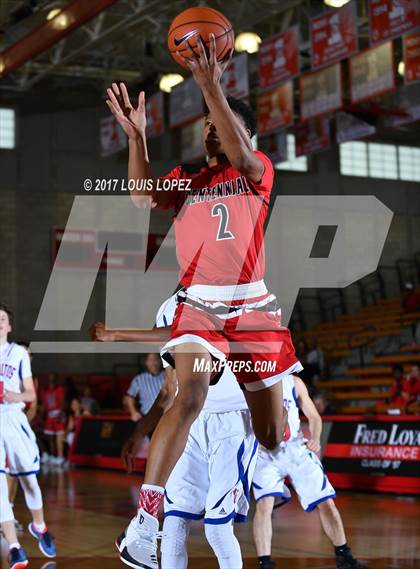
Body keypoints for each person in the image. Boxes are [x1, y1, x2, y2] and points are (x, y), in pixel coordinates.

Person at [105, 35, 301, 569]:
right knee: (187, 394)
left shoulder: (255, 170)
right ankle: (145, 524)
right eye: (207, 125)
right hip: (199, 304)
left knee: (273, 435)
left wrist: (211, 84)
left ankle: (256, 452)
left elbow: (238, 147)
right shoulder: (187, 179)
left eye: (219, 123)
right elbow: (142, 196)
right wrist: (138, 137)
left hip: (254, 308)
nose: (211, 131)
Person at [93, 294, 259, 569]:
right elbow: (170, 389)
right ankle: (141, 531)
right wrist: (138, 433)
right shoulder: (169, 308)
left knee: (217, 529)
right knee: (174, 520)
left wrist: (116, 333)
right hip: (189, 422)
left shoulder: (243, 294)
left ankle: (141, 526)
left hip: (232, 419)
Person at [252, 375, 367, 569]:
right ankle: (265, 564)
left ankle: (344, 557)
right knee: (264, 505)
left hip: (295, 447)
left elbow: (314, 416)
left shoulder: (294, 382)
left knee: (327, 502)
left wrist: (315, 437)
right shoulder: (253, 381)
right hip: (266, 451)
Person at [0, 304, 56, 568]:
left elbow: (31, 395)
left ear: (9, 326)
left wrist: (16, 396)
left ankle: (39, 526)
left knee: (29, 482)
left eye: (2, 319)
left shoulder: (18, 353)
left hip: (14, 418)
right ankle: (14, 547)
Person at [124, 354, 165, 423]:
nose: (153, 363)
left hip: (166, 416)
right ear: (146, 363)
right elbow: (129, 397)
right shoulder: (139, 379)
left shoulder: (168, 376)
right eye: (150, 360)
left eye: (155, 360)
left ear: (160, 361)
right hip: (147, 417)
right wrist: (133, 412)